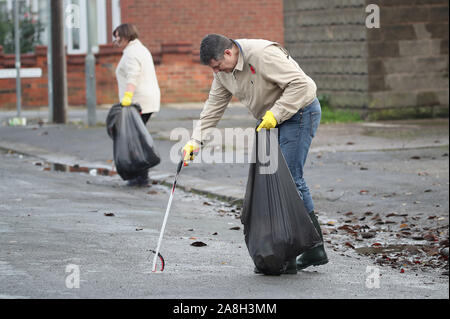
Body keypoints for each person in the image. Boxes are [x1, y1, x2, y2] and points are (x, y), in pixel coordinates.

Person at [182, 34, 328, 274]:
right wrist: (195, 141)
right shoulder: (222, 72)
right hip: (270, 119)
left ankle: (314, 248)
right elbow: (214, 107)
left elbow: (304, 86)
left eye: (218, 66)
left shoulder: (262, 55)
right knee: (272, 178)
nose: (217, 72)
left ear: (228, 53)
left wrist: (276, 114)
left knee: (290, 179)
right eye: (213, 69)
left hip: (299, 113)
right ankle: (288, 251)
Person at [113, 23, 161, 186]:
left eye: (118, 35)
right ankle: (140, 176)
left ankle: (142, 177)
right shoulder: (139, 49)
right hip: (145, 100)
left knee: (136, 139)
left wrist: (127, 97)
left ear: (126, 35)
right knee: (137, 137)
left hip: (138, 102)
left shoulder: (132, 53)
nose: (116, 39)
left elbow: (133, 76)